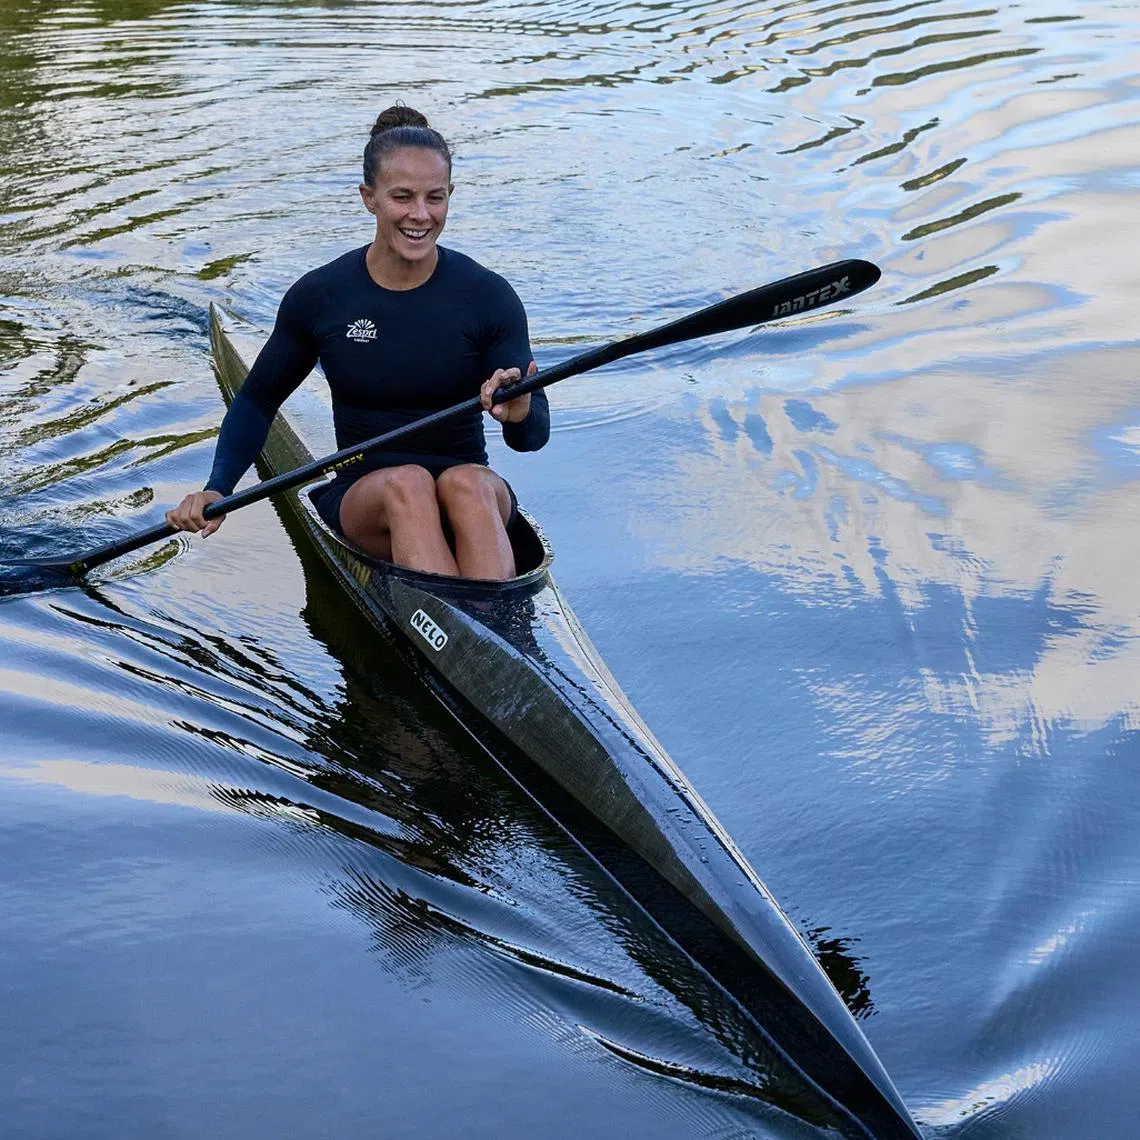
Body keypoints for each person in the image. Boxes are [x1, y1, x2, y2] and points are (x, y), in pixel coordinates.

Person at [166, 105, 548, 580]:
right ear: (369, 197)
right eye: (402, 197)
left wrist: (522, 410)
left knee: (467, 482)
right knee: (408, 485)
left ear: (450, 195)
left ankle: (486, 622)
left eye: (435, 198)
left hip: (469, 494)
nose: (420, 215)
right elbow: (259, 400)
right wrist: (218, 487)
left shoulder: (488, 296)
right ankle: (471, 617)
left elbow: (531, 439)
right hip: (366, 494)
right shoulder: (323, 296)